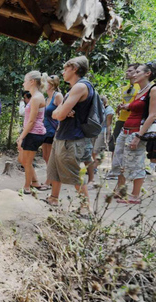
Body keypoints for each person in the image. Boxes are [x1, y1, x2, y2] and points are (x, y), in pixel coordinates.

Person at [46, 56, 93, 209]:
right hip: (61, 136)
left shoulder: (80, 87)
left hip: (71, 138)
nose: (63, 72)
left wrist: (60, 111)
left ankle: (86, 207)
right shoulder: (72, 89)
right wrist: (61, 111)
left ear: (74, 68)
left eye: (66, 69)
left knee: (73, 174)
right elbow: (55, 114)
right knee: (54, 170)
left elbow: (58, 115)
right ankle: (53, 197)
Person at [111, 63, 156, 204]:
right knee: (120, 161)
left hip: (137, 131)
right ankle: (120, 190)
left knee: (136, 163)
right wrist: (126, 106)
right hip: (126, 129)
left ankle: (135, 196)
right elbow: (136, 107)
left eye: (137, 71)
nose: (134, 74)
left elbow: (153, 115)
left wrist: (138, 136)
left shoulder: (153, 90)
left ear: (147, 73)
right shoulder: (140, 90)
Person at [17, 71, 48, 194]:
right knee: (22, 159)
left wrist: (21, 137)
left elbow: (31, 121)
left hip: (34, 133)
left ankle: (27, 187)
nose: (23, 83)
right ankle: (35, 182)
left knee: (26, 162)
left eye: (25, 80)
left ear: (32, 82)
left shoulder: (36, 98)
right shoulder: (36, 96)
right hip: (32, 133)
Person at [109, 64, 140, 157]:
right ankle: (115, 169)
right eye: (127, 71)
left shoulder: (140, 87)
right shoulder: (124, 88)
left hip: (133, 120)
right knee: (114, 144)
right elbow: (125, 101)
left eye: (130, 71)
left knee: (130, 146)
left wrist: (128, 106)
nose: (127, 72)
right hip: (121, 119)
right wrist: (120, 106)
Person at [88, 95, 114, 187]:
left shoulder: (109, 111)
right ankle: (93, 167)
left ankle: (94, 168)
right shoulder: (97, 108)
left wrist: (108, 137)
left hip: (102, 132)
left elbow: (108, 125)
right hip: (95, 131)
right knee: (92, 151)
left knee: (96, 151)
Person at [42, 76, 63, 186]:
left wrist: (60, 128)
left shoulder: (57, 96)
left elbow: (64, 110)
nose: (44, 84)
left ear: (51, 85)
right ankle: (51, 177)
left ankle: (50, 180)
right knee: (45, 156)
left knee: (51, 157)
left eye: (46, 83)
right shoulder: (46, 99)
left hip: (54, 130)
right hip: (44, 130)